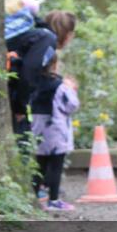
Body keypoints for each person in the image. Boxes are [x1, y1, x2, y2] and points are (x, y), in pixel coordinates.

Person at [4, 0, 58, 152]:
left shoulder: (16, 38)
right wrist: (20, 106)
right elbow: (30, 72)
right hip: (15, 102)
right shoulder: (45, 39)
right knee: (22, 149)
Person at [29, 54, 80, 211]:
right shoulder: (60, 86)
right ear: (55, 65)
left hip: (39, 130)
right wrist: (70, 88)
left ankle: (35, 196)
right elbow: (72, 105)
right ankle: (54, 200)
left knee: (40, 165)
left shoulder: (34, 84)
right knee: (56, 166)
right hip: (56, 130)